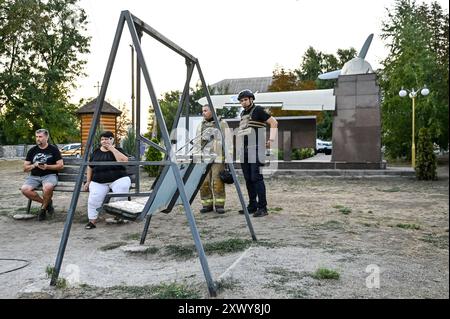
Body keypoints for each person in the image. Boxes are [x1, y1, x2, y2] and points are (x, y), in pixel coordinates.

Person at [237, 89, 278, 217]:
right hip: (244, 149)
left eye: (245, 99)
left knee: (256, 178)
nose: (243, 102)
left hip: (256, 148)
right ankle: (252, 205)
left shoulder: (258, 110)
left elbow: (274, 122)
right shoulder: (243, 113)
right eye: (241, 100)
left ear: (251, 99)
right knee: (248, 179)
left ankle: (263, 208)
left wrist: (271, 139)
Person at [83, 131, 130, 229]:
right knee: (93, 199)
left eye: (107, 139)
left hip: (118, 178)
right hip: (99, 181)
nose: (104, 141)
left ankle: (119, 215)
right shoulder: (95, 152)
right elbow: (90, 167)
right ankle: (92, 221)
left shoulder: (118, 149)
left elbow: (124, 161)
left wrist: (112, 148)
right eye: (102, 139)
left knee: (122, 189)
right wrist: (88, 181)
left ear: (112, 140)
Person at [21, 129, 64, 221]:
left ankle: (43, 209)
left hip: (50, 175)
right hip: (34, 177)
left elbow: (60, 166)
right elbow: (25, 168)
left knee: (47, 187)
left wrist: (47, 167)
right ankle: (47, 203)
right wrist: (34, 165)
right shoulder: (32, 150)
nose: (38, 139)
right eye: (36, 137)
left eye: (40, 137)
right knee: (24, 190)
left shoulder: (53, 150)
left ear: (46, 137)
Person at [195, 104, 230, 214]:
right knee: (203, 183)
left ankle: (219, 205)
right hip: (204, 159)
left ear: (212, 111)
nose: (203, 112)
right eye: (203, 111)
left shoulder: (222, 124)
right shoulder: (201, 125)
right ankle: (207, 205)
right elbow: (197, 143)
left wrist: (229, 158)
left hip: (218, 159)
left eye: (205, 110)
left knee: (217, 182)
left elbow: (228, 141)